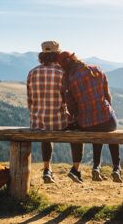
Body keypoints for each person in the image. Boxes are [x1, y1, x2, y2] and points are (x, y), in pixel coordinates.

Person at [57, 51, 123, 183]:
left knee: (95, 126)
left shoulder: (68, 79)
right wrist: (106, 110)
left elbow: (72, 107)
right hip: (107, 120)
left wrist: (78, 116)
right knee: (110, 131)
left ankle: (96, 167)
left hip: (86, 123)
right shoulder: (96, 69)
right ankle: (116, 167)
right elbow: (107, 96)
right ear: (74, 58)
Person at [26, 41, 82, 183]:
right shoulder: (62, 72)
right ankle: (75, 169)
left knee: (46, 128)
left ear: (42, 55)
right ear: (57, 55)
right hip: (60, 121)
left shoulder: (32, 72)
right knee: (77, 130)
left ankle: (47, 169)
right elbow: (70, 99)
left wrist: (39, 111)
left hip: (37, 121)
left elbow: (29, 101)